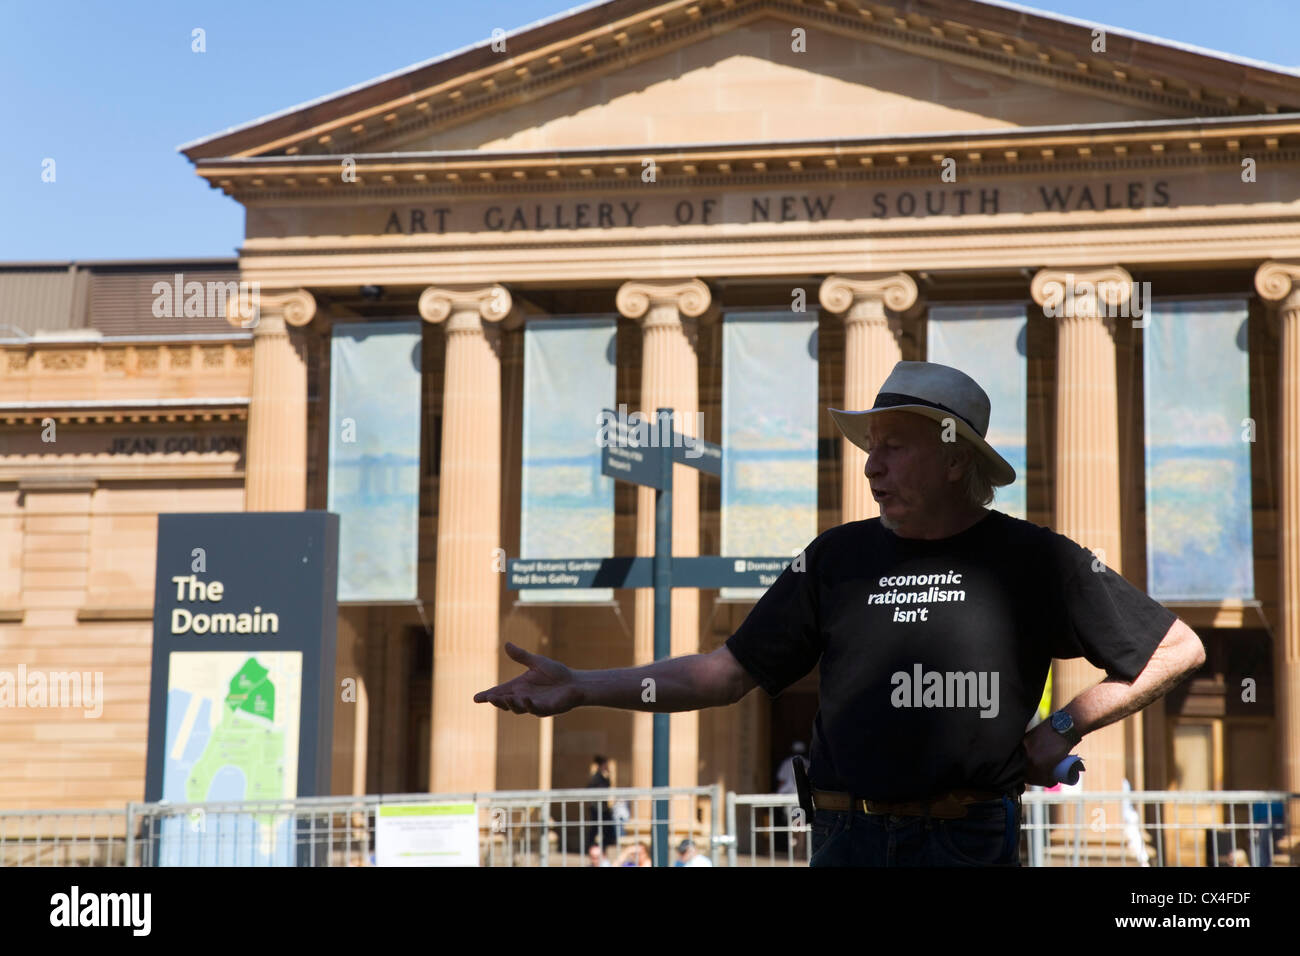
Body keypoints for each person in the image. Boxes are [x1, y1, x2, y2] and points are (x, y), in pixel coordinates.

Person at [474, 361, 1206, 867]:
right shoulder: (834, 557)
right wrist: (581, 685)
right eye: (869, 448)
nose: (869, 466)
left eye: (893, 447)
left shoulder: (1033, 558)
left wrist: (1062, 726)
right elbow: (726, 673)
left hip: (965, 841)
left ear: (956, 459)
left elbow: (1176, 650)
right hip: (842, 839)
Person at [582, 755, 616, 856]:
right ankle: (590, 849)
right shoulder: (596, 777)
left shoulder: (601, 776)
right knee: (596, 830)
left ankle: (601, 849)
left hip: (602, 808)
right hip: (597, 808)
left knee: (604, 829)